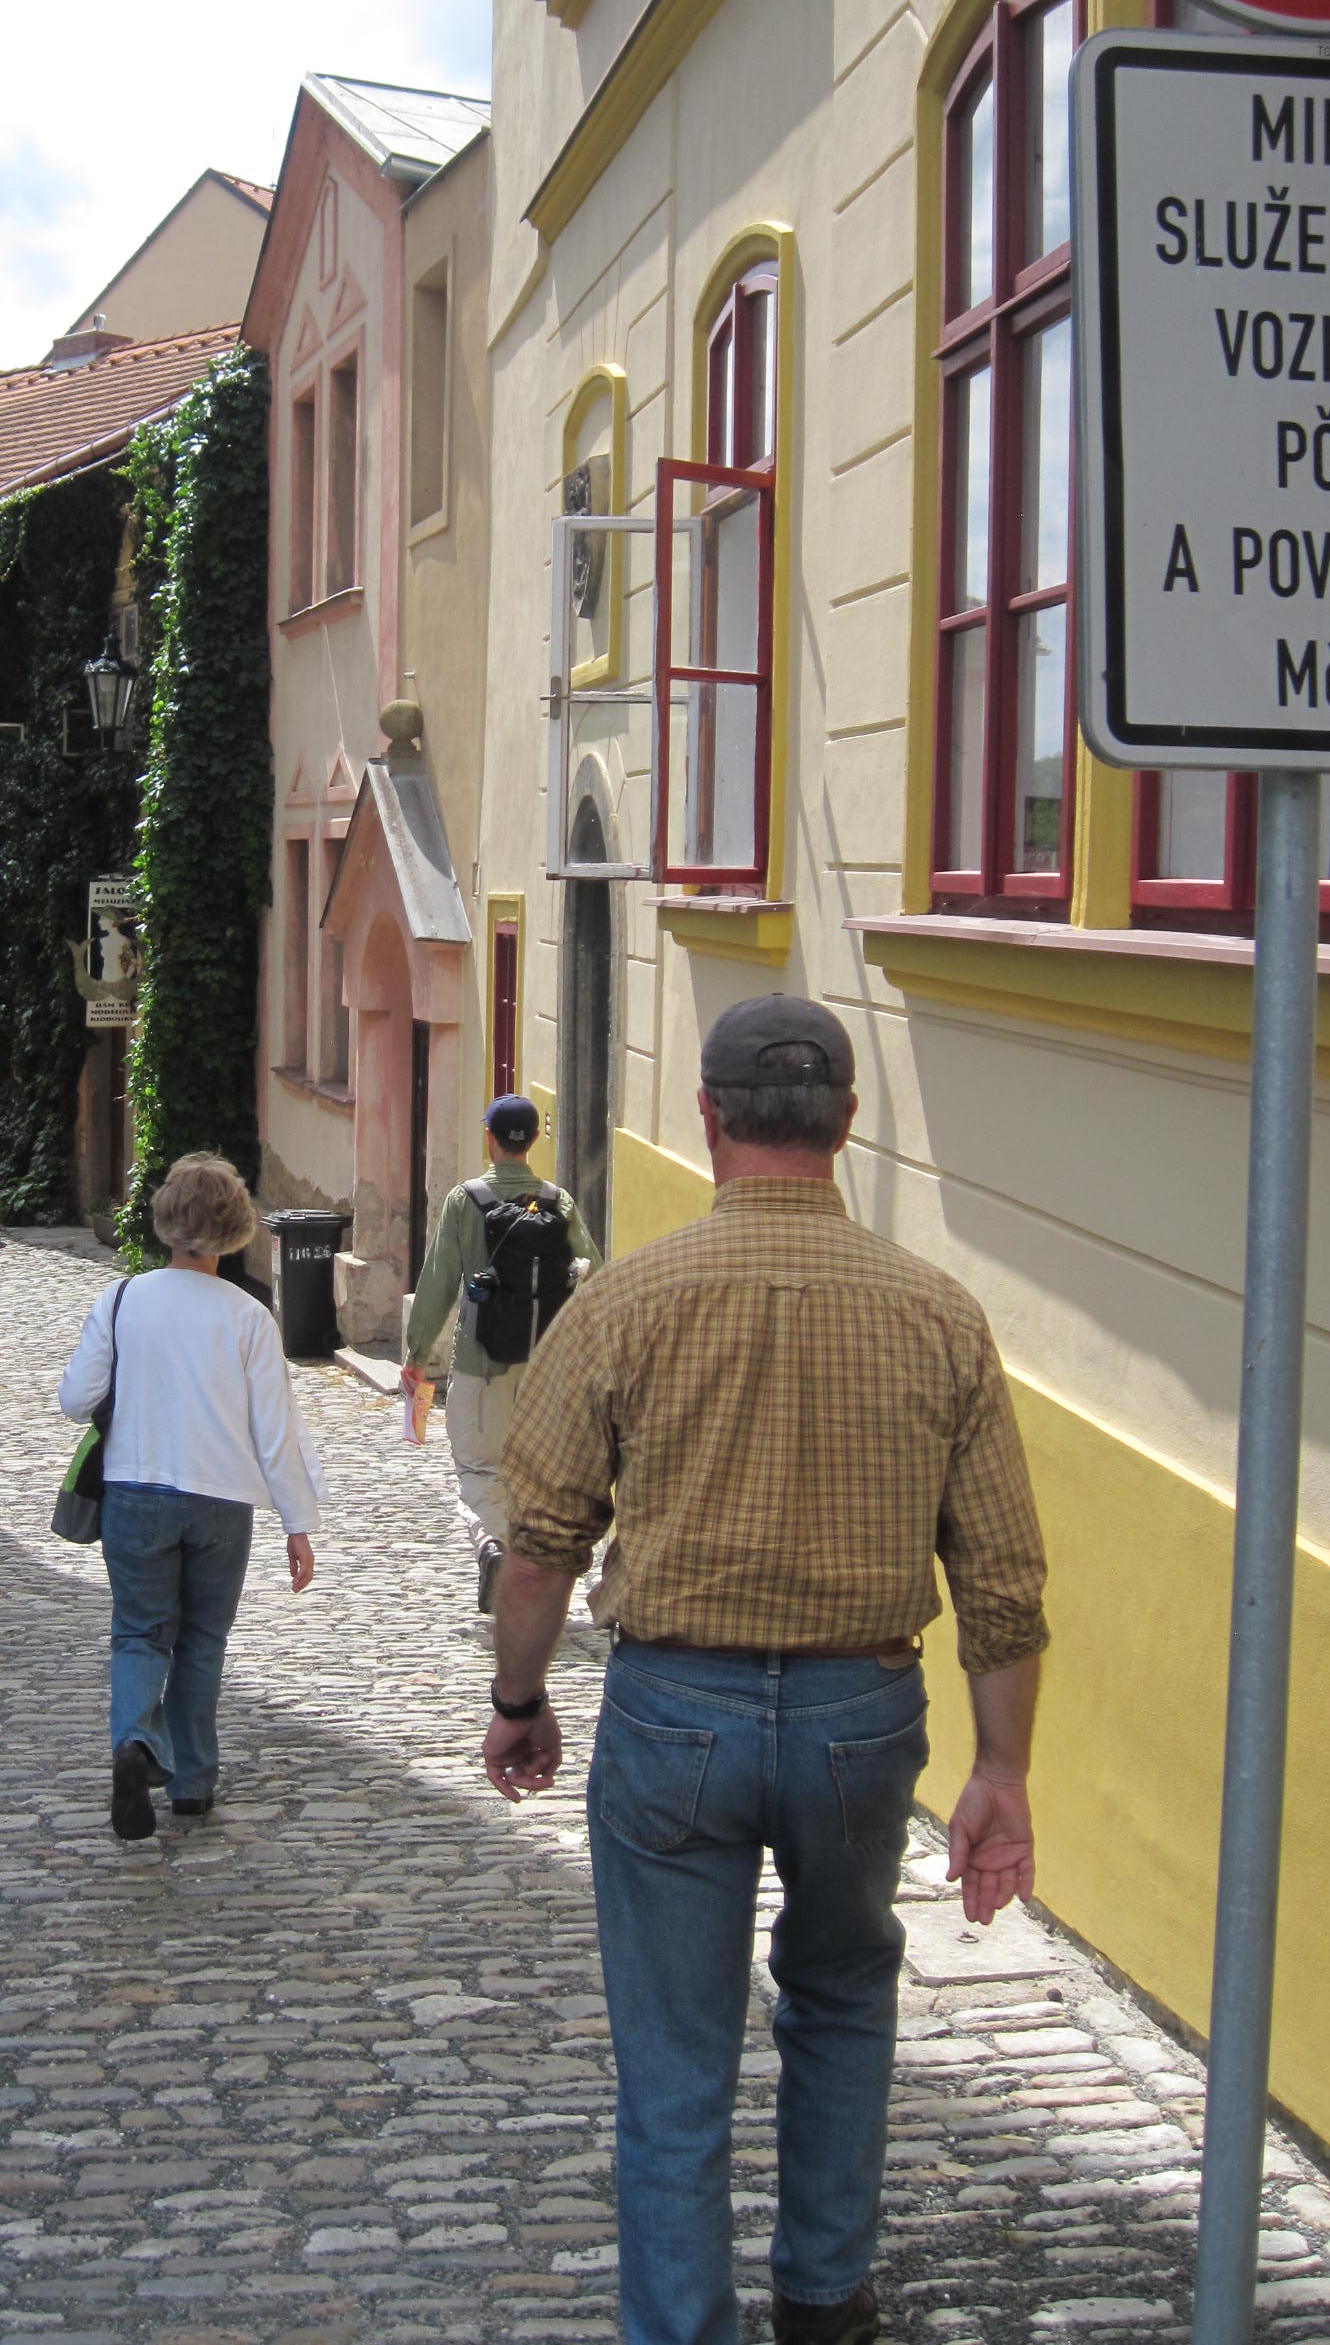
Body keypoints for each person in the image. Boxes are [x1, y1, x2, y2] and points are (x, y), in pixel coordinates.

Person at [479, 996, 1049, 2345]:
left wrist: (519, 1700)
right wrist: (1003, 1770)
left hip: (676, 1711)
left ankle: (685, 2327)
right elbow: (1004, 1579)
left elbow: (541, 1546)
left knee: (675, 2058)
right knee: (844, 1997)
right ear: (847, 1125)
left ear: (709, 1119)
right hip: (862, 1715)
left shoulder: (626, 1303)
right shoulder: (939, 1313)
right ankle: (824, 2298)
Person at [58, 1150, 322, 1841]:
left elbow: (75, 1398)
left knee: (139, 1631)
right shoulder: (248, 1318)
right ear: (236, 1229)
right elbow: (276, 1433)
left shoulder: (121, 1301)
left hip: (134, 1489)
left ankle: (133, 1742)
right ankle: (193, 1783)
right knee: (203, 1641)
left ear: (166, 1222)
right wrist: (297, 1523)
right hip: (220, 1501)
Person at [403, 1092, 602, 1615]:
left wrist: (417, 1353)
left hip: (481, 1363)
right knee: (534, 1476)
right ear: (533, 1140)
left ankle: (493, 1547)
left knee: (477, 1469)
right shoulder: (558, 1202)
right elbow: (596, 1276)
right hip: (547, 1371)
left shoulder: (464, 1200)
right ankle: (529, 1574)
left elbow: (438, 1281)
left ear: (489, 1137)